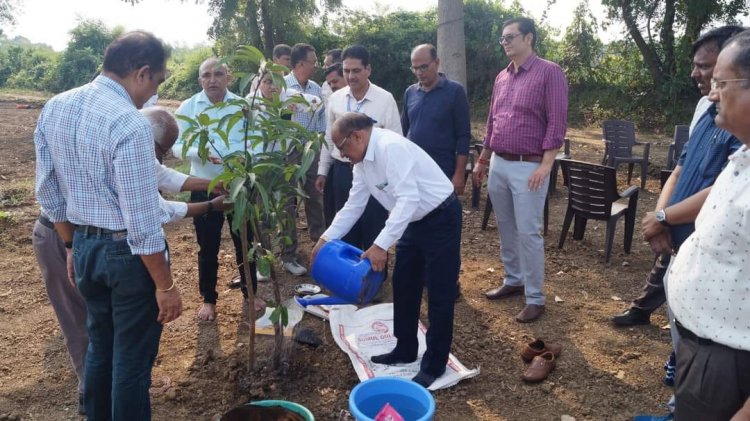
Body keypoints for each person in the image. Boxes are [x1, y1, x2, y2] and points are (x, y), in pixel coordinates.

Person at [31, 104, 226, 416]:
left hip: (82, 241)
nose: (160, 158)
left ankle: (98, 408)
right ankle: (96, 399)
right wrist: (166, 284)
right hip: (87, 240)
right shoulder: (132, 147)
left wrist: (211, 193)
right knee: (120, 351)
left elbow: (163, 180)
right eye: (161, 149)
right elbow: (150, 216)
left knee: (101, 340)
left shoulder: (102, 136)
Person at [34, 31, 179, 420]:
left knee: (100, 345)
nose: (152, 95)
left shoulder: (55, 106)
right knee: (132, 359)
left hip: (85, 247)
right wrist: (165, 286)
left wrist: (70, 246)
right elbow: (142, 221)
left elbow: (48, 191)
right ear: (142, 73)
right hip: (125, 256)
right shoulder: (128, 124)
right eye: (157, 83)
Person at [312, 112, 462, 388]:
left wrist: (380, 244)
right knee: (404, 285)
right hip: (411, 222)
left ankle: (435, 364)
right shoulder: (361, 164)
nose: (343, 156)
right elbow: (353, 206)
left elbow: (409, 198)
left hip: (440, 217)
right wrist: (326, 238)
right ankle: (405, 349)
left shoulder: (390, 148)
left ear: (357, 136)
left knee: (440, 292)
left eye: (343, 148)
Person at [613, 25, 745, 329]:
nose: (695, 74)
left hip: (704, 243)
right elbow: (680, 169)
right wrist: (661, 219)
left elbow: (723, 189)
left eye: (706, 68)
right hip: (676, 229)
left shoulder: (739, 130)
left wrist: (664, 216)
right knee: (678, 311)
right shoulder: (706, 110)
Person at [665, 29, 750, 421]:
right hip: (704, 349)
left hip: (727, 363)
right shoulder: (745, 156)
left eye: (721, 82)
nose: (712, 93)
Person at [472, 17, 568, 323]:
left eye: (511, 37)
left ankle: (535, 297)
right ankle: (513, 280)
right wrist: (483, 159)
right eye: (503, 39)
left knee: (529, 232)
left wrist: (547, 164)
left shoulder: (550, 73)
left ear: (529, 38)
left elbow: (557, 121)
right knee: (506, 227)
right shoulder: (502, 77)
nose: (506, 43)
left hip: (530, 165)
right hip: (500, 161)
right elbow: (492, 120)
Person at [173, 58, 262, 321]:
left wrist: (243, 159)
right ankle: (209, 300)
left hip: (239, 186)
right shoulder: (189, 107)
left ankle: (251, 293)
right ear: (200, 80)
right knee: (207, 246)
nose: (212, 79)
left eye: (218, 74)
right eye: (206, 75)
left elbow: (257, 142)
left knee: (245, 242)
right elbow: (176, 146)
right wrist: (202, 152)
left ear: (229, 77)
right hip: (204, 187)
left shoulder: (243, 106)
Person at [314, 44, 401, 250]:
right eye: (346, 71)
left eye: (356, 70)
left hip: (375, 172)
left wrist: (391, 183)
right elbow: (328, 137)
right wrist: (322, 171)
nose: (351, 76)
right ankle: (348, 277)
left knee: (374, 226)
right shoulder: (336, 99)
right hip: (343, 171)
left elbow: (396, 140)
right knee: (346, 227)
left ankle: (373, 277)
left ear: (368, 69)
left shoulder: (385, 99)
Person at [402, 43, 471, 194]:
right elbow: (403, 130)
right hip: (414, 167)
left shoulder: (454, 91)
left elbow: (463, 135)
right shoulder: (410, 93)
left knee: (442, 213)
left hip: (443, 168)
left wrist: (459, 174)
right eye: (415, 68)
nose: (419, 72)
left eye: (424, 67)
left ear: (437, 62)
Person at [283, 43, 327, 276]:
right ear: (301, 64)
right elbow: (279, 121)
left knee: (315, 197)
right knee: (288, 202)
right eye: (313, 61)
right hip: (288, 152)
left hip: (311, 150)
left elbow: (321, 123)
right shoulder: (281, 86)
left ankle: (319, 248)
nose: (316, 65)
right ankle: (288, 254)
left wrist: (318, 149)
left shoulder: (316, 88)